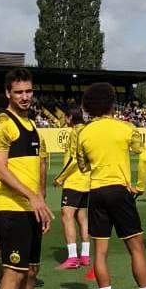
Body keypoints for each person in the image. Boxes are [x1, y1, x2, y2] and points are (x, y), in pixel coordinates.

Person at [77, 82, 146, 289]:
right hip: (120, 191)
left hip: (96, 192)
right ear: (111, 103)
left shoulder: (83, 132)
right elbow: (141, 158)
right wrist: (139, 186)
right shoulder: (126, 128)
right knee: (136, 248)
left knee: (100, 252)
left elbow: (82, 165)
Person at [0, 68, 53, 289]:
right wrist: (32, 198)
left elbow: (37, 169)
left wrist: (40, 203)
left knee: (30, 272)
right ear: (8, 93)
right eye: (19, 92)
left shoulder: (31, 125)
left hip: (31, 210)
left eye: (28, 91)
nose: (25, 96)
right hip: (11, 209)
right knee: (13, 273)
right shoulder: (1, 124)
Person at [53, 107, 91, 269]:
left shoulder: (75, 132)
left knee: (66, 216)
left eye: (65, 116)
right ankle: (85, 256)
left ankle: (72, 258)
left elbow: (74, 159)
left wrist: (60, 178)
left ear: (70, 117)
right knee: (82, 218)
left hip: (74, 181)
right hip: (86, 181)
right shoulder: (87, 131)